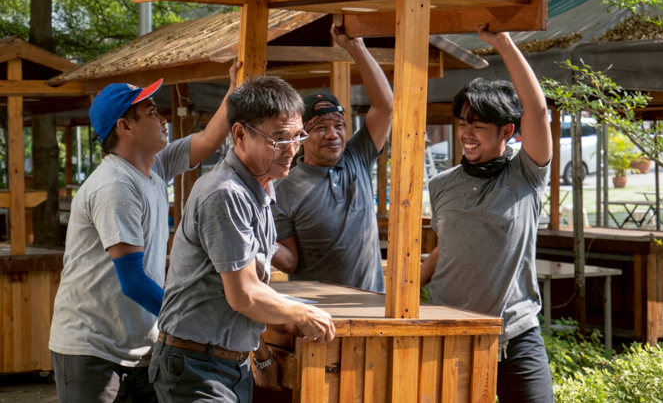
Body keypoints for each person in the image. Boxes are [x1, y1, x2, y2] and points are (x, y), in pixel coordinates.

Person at [49, 63, 241, 403]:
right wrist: (189, 320)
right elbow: (133, 280)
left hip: (141, 346)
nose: (163, 118)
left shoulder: (156, 167)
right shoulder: (115, 186)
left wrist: (235, 87)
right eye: (151, 112)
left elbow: (211, 138)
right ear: (125, 126)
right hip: (92, 350)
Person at [150, 75, 336, 403]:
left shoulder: (262, 186)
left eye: (297, 136)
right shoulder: (226, 194)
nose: (292, 149)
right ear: (239, 134)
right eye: (279, 138)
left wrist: (260, 354)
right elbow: (245, 295)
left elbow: (248, 289)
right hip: (196, 366)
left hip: (226, 362)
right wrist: (303, 314)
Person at [420, 24, 554, 403]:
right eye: (463, 124)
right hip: (446, 329)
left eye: (478, 126)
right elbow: (447, 248)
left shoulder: (526, 174)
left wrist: (503, 42)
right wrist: (403, 287)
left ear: (507, 131)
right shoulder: (442, 184)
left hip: (513, 333)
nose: (467, 134)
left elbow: (539, 111)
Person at [271, 24, 393, 293]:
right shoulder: (283, 188)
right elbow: (290, 262)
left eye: (339, 126)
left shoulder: (356, 156)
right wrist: (256, 237)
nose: (333, 135)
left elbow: (385, 105)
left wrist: (356, 46)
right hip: (316, 312)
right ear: (302, 136)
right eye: (320, 128)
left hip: (371, 303)